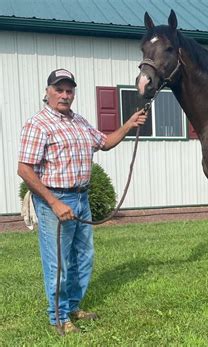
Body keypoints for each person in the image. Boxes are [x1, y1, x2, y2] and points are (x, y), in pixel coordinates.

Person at [17, 68, 147, 334]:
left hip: (81, 198)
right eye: (59, 89)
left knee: (83, 257)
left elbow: (105, 142)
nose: (65, 95)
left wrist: (129, 123)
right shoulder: (38, 124)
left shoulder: (80, 122)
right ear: (47, 92)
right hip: (56, 200)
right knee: (59, 262)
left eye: (69, 90)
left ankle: (73, 306)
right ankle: (59, 318)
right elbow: (24, 169)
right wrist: (54, 203)